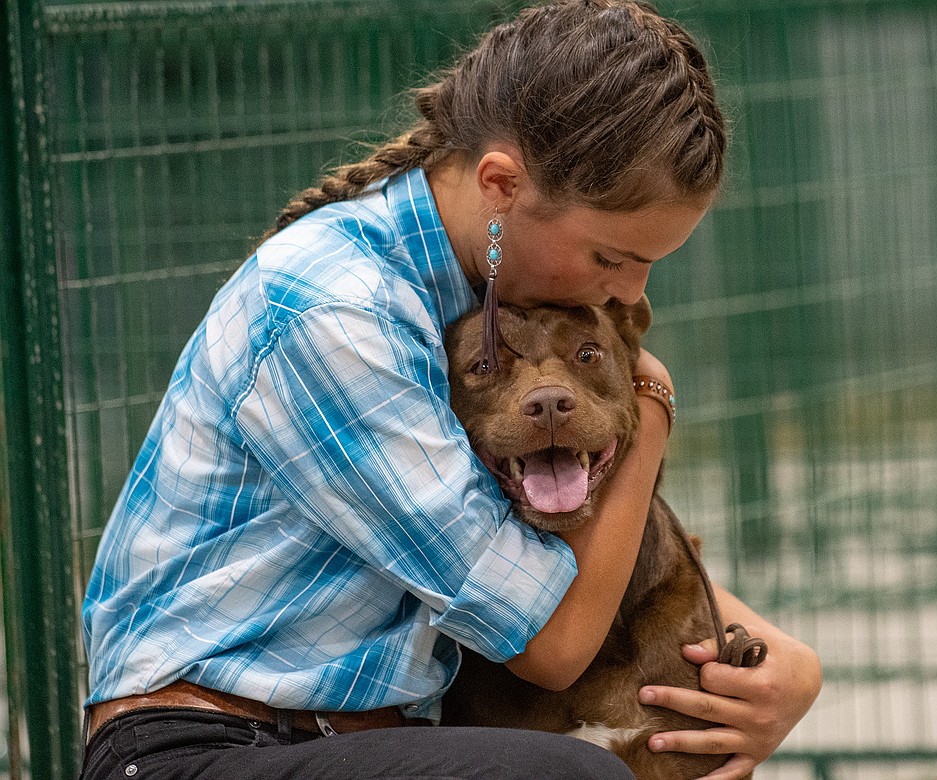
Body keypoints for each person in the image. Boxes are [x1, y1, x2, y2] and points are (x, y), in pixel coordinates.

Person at [79, 1, 822, 778]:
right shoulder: (336, 311)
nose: (631, 291)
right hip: (205, 751)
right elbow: (552, 643)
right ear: (501, 184)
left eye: (648, 264)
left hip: (362, 740)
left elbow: (520, 546)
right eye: (609, 257)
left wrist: (789, 663)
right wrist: (650, 404)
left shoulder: (474, 297)